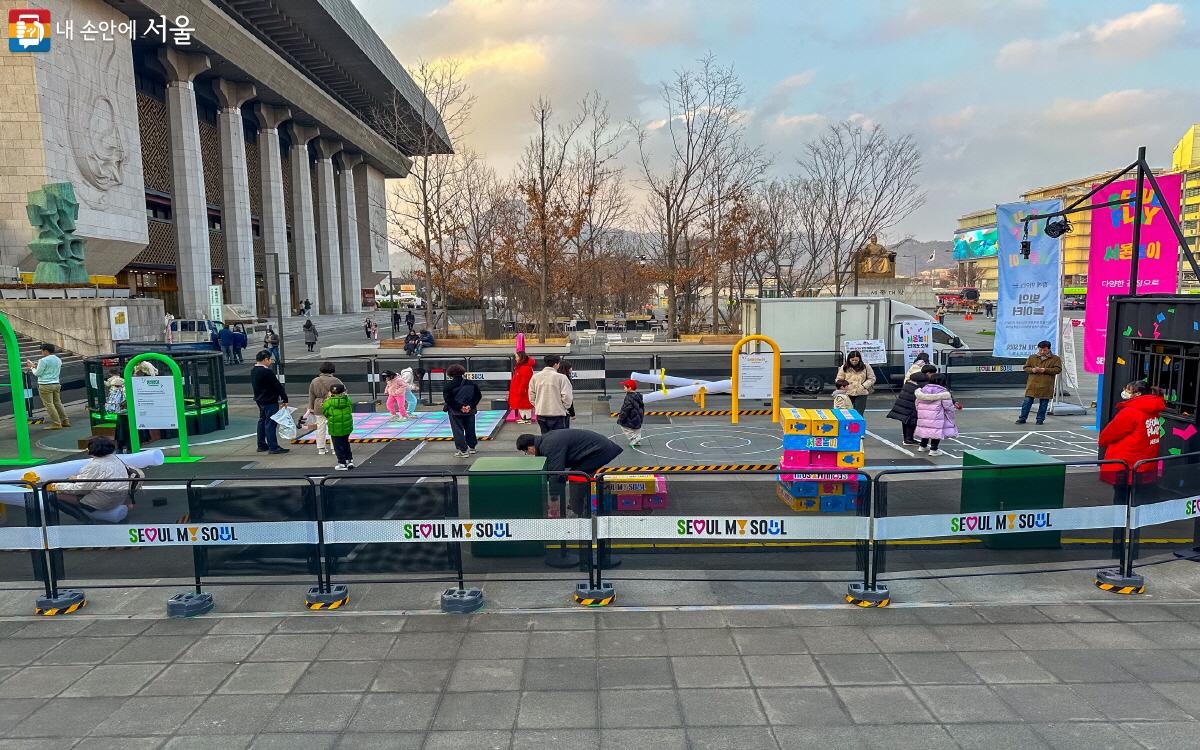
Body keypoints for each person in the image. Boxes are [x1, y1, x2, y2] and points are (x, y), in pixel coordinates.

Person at [516, 429, 624, 515]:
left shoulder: (549, 446)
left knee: (577, 477)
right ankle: (580, 504)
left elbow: (556, 473)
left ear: (530, 447)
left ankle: (578, 511)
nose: (528, 454)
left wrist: (554, 500)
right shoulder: (545, 440)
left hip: (599, 450)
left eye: (526, 452)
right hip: (595, 448)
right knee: (578, 475)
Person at [49, 436, 141, 523]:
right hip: (119, 497)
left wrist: (56, 486)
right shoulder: (115, 458)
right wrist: (77, 478)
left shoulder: (95, 465)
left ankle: (85, 520)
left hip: (102, 501)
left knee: (55, 497)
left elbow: (80, 489)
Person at [1098, 381, 1167, 487]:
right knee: (1139, 494)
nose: (1124, 392)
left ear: (1138, 394)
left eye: (1128, 390)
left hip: (1126, 462)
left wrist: (1102, 441)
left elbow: (1110, 434)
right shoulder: (1153, 410)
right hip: (1144, 461)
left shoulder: (1130, 412)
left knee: (1121, 496)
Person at [251, 349, 289, 454]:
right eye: (270, 359)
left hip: (260, 399)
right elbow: (277, 386)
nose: (271, 361)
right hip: (269, 400)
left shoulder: (254, 370)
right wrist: (284, 398)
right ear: (265, 359)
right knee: (271, 423)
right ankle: (273, 447)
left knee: (262, 421)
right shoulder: (267, 371)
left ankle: (261, 444)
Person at [1016, 340, 1062, 425]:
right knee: (1027, 402)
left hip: (1046, 385)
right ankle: (1022, 417)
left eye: (1044, 350)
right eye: (1040, 350)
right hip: (1032, 384)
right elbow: (1026, 367)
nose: (1042, 352)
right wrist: (1032, 369)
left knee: (1044, 404)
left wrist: (1045, 370)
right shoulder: (1032, 357)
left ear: (1049, 349)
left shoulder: (1055, 359)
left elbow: (1058, 369)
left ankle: (1040, 419)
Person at [887, 364, 933, 446]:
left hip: (903, 402)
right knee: (911, 421)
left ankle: (907, 438)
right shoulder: (923, 381)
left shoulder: (913, 378)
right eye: (932, 374)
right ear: (928, 373)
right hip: (911, 403)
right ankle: (908, 439)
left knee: (905, 420)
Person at [443, 363, 482, 458]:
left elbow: (448, 400)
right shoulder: (471, 383)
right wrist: (469, 406)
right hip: (470, 410)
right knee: (470, 428)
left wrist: (460, 407)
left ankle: (463, 450)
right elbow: (478, 396)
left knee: (458, 430)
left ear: (450, 374)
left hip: (455, 412)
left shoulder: (448, 386)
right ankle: (472, 447)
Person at [914, 373, 959, 456]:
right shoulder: (943, 392)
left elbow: (917, 403)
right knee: (936, 432)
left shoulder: (923, 390)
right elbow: (948, 407)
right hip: (937, 415)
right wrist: (951, 414)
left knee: (926, 429)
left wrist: (920, 411)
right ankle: (934, 449)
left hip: (923, 414)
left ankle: (922, 446)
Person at [528, 353, 572, 434]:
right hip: (557, 413)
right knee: (559, 438)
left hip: (541, 413)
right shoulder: (561, 377)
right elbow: (567, 397)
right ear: (556, 364)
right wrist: (563, 407)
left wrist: (537, 405)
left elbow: (531, 395)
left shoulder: (535, 377)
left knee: (545, 437)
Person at [27, 343, 68, 429]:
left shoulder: (43, 360)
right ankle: (65, 421)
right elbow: (49, 369)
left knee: (49, 404)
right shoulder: (58, 359)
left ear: (46, 351)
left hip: (45, 385)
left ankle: (57, 423)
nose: (41, 352)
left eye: (42, 351)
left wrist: (32, 367)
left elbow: (38, 373)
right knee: (58, 403)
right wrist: (36, 366)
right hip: (56, 384)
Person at [307, 362, 343, 456]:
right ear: (332, 370)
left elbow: (311, 395)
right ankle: (334, 448)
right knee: (333, 427)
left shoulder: (315, 381)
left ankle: (321, 448)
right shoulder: (336, 380)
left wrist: (311, 408)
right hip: (333, 404)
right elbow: (344, 391)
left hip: (319, 405)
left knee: (320, 427)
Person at [322, 383, 355, 470]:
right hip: (346, 426)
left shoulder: (328, 402)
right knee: (346, 443)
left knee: (337, 446)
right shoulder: (347, 400)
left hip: (334, 427)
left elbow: (326, 413)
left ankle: (342, 463)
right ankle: (349, 461)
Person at [508, 351, 536, 424]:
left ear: (521, 357)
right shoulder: (522, 367)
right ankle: (525, 418)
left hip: (523, 390)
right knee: (522, 405)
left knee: (524, 405)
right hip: (520, 389)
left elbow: (525, 380)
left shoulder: (525, 368)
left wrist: (521, 390)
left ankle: (526, 419)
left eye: (517, 357)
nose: (516, 359)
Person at [616, 379, 645, 446]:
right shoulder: (638, 395)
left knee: (623, 426)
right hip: (638, 416)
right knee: (637, 429)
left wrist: (621, 418)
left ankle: (634, 438)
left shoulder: (629, 398)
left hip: (631, 416)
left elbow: (626, 409)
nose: (623, 387)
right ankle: (637, 441)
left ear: (629, 388)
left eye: (625, 386)